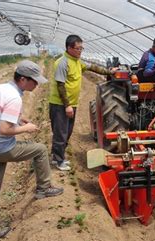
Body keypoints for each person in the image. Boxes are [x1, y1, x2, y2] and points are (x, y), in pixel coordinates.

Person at [0, 60, 63, 241]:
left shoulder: (1, 88)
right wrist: (27, 128)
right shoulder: (15, 98)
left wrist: (19, 118)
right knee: (40, 149)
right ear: (23, 79)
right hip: (1, 148)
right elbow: (4, 129)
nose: (37, 85)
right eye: (35, 81)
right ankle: (44, 188)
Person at [48, 34, 114, 171]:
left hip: (72, 104)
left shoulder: (77, 61)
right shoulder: (62, 63)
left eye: (81, 48)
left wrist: (109, 71)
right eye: (78, 48)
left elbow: (92, 67)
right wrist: (67, 106)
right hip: (60, 104)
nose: (80, 51)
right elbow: (60, 86)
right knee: (60, 133)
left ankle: (57, 156)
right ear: (69, 48)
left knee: (68, 131)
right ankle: (58, 160)